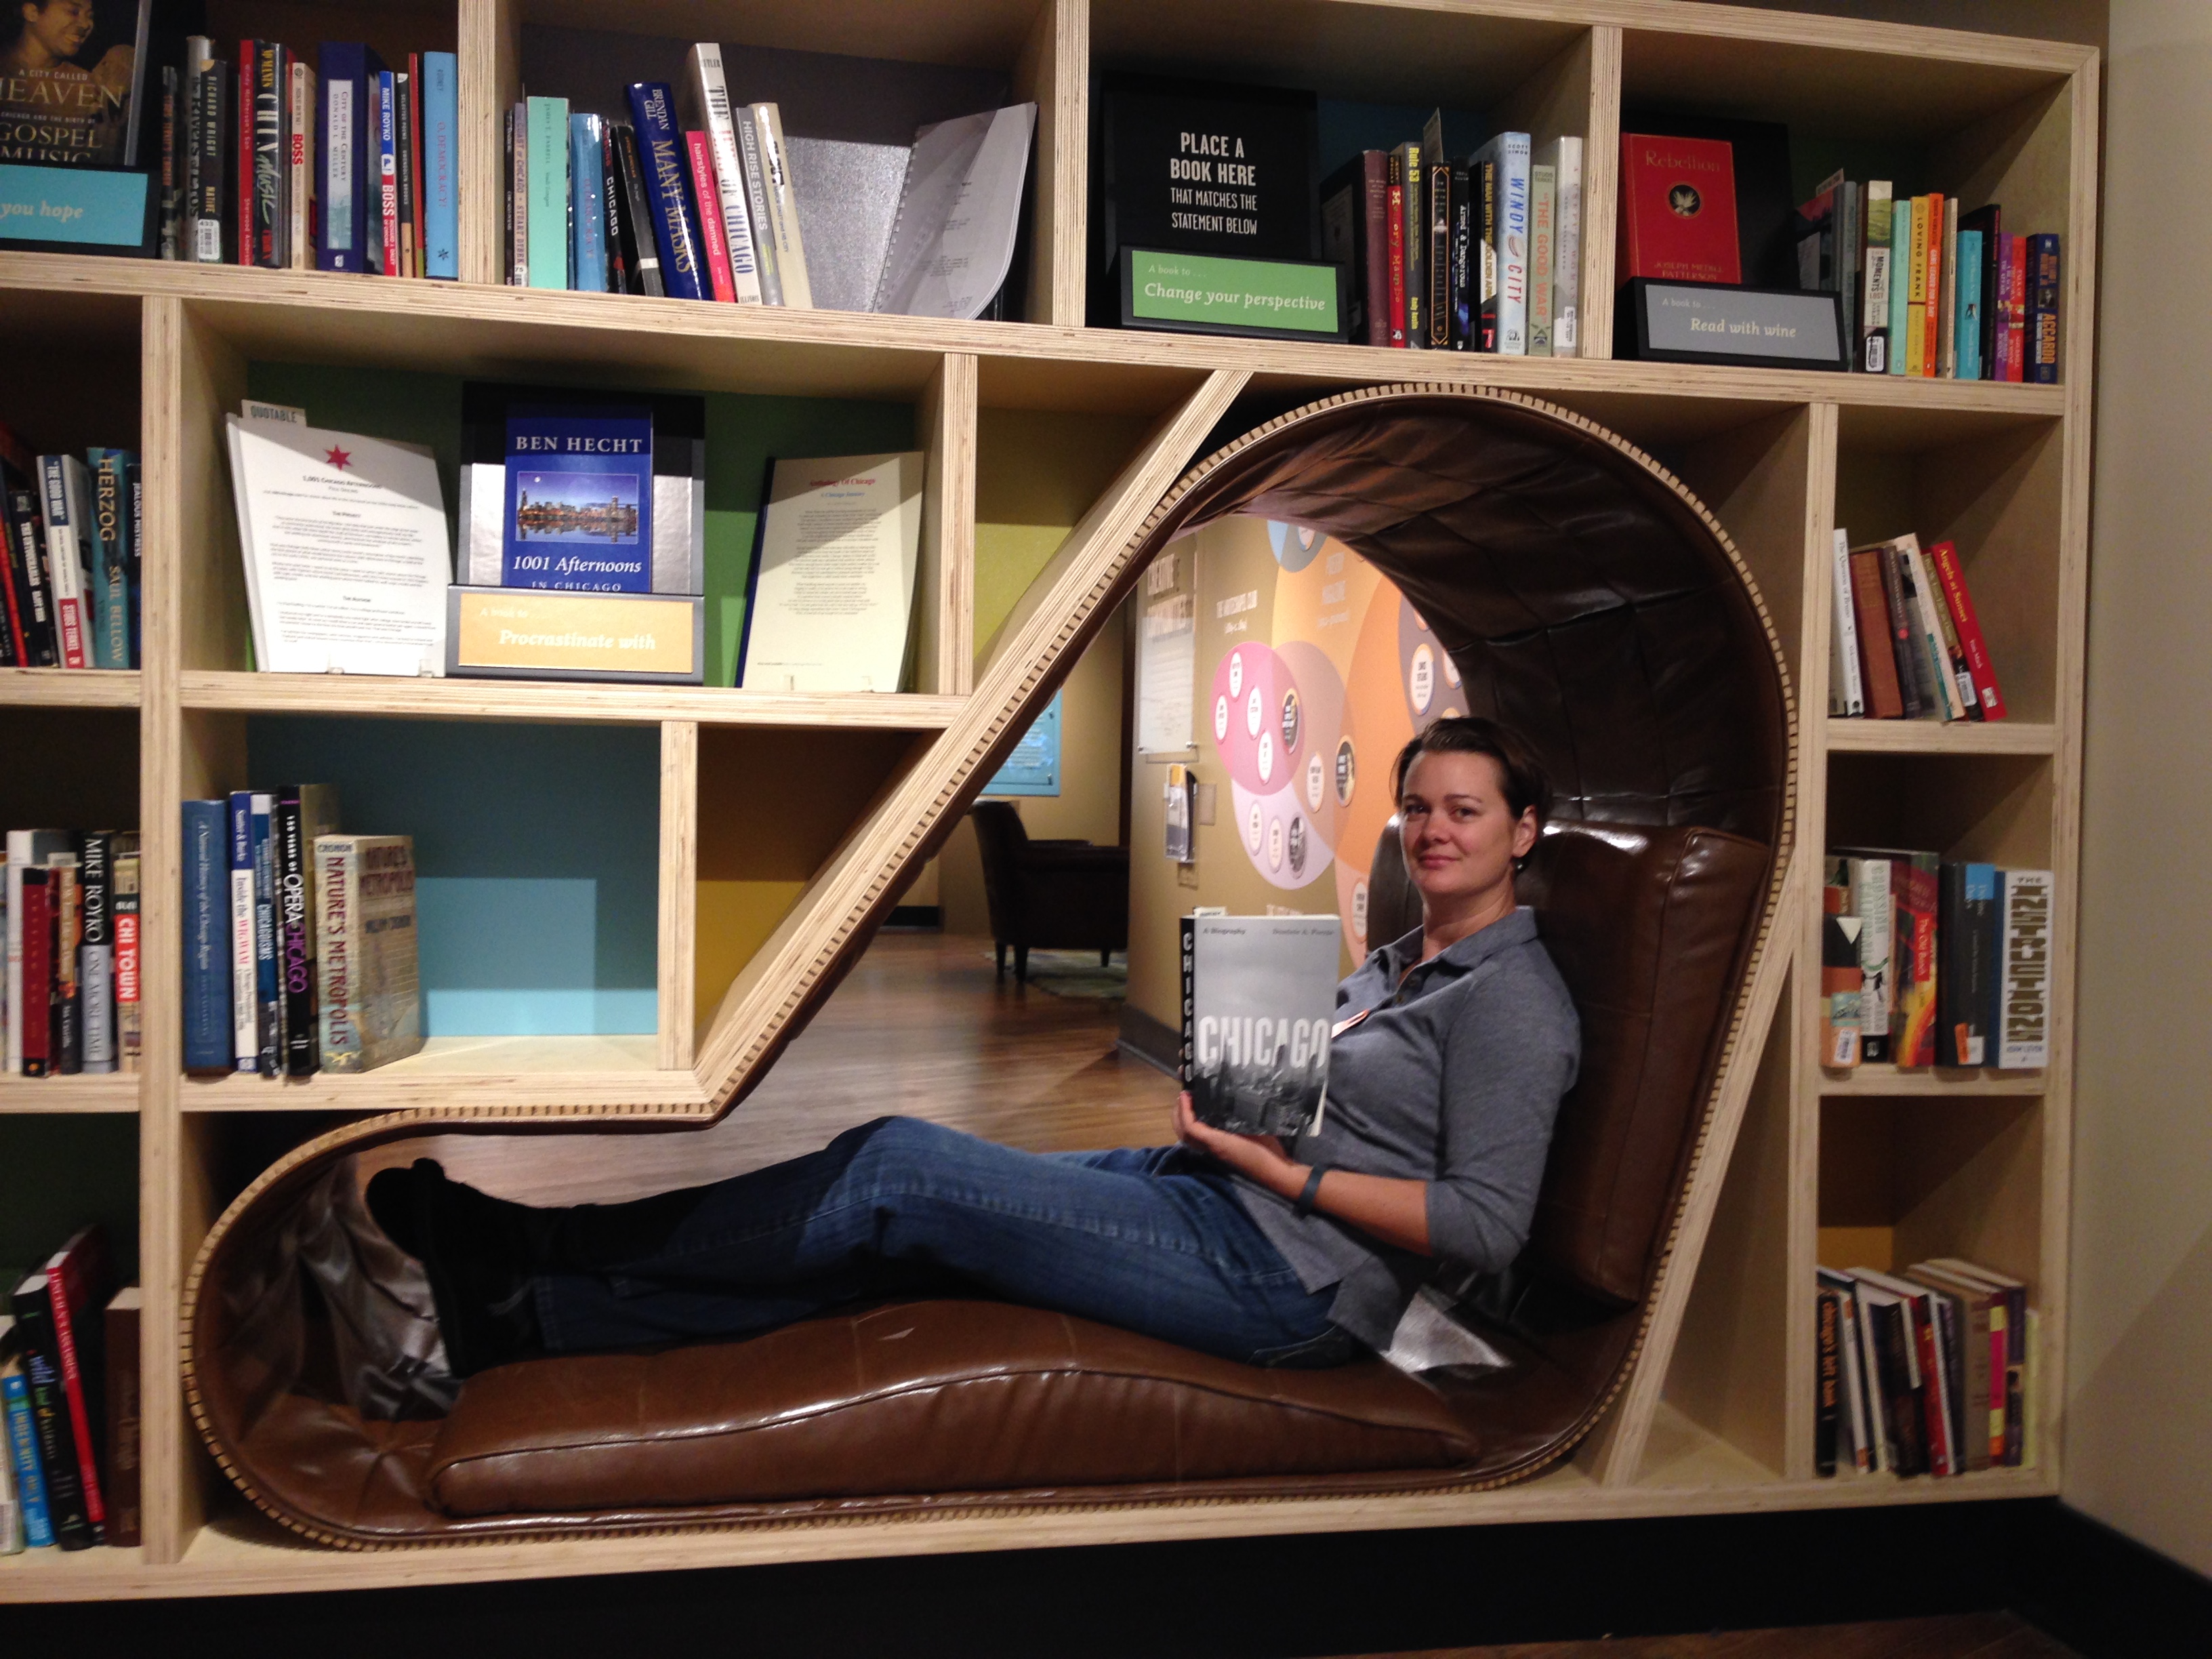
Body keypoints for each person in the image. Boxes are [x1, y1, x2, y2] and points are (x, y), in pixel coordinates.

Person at [367, 716, 1581, 1378]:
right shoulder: (1400, 957)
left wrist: (1282, 1173)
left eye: (1464, 811)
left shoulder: (1514, 1001)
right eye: (1417, 805)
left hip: (1296, 1284)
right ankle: (535, 1317)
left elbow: (1486, 1228)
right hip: (1218, 1192)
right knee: (898, 1227)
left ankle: (531, 1242)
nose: (1432, 830)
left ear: (1521, 831)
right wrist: (1239, 1098)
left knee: (900, 1171)